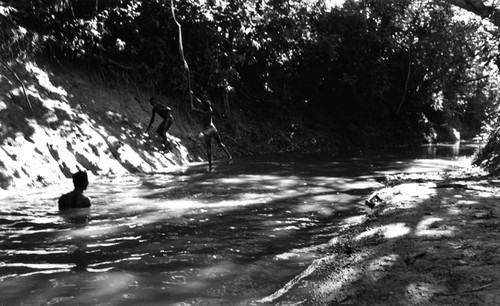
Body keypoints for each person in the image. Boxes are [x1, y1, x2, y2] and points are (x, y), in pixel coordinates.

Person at [190, 91, 232, 171]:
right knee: (220, 143)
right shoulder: (210, 109)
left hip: (207, 130)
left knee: (209, 148)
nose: (201, 105)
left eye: (203, 105)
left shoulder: (205, 112)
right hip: (213, 128)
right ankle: (229, 156)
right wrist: (193, 96)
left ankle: (210, 166)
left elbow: (193, 109)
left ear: (205, 107)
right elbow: (200, 103)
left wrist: (191, 99)